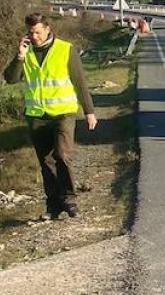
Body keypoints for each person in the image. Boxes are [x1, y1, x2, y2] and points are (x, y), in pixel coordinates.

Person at [3, 13, 97, 220]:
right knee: (46, 161)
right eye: (30, 32)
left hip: (63, 112)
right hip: (37, 115)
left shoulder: (65, 49)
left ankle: (69, 199)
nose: (34, 36)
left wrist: (89, 111)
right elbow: (10, 79)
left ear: (47, 29)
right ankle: (53, 205)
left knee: (62, 155)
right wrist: (19, 56)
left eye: (37, 31)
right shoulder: (25, 52)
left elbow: (79, 82)